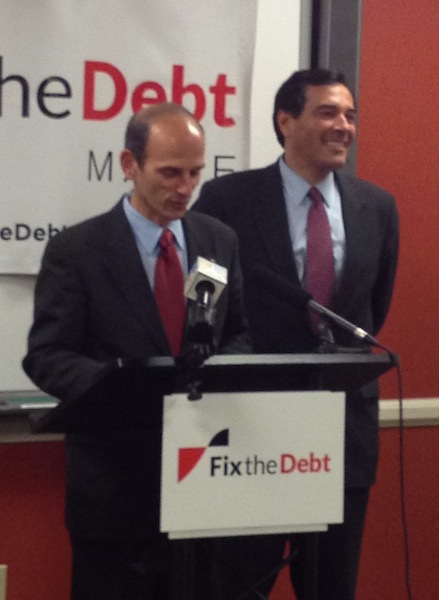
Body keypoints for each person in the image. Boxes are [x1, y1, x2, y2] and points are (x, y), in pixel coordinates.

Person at [23, 102, 251, 600]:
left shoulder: (218, 241)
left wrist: (216, 373)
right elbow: (46, 355)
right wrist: (118, 387)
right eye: (170, 172)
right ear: (129, 165)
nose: (185, 187)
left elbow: (237, 333)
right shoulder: (78, 250)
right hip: (113, 487)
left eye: (195, 172)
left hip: (203, 476)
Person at [193, 69, 399, 599]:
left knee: (331, 585)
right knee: (238, 583)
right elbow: (202, 306)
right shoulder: (225, 200)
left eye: (350, 115)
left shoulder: (376, 206)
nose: (344, 126)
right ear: (286, 122)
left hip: (342, 430)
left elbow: (372, 307)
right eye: (328, 112)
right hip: (251, 431)